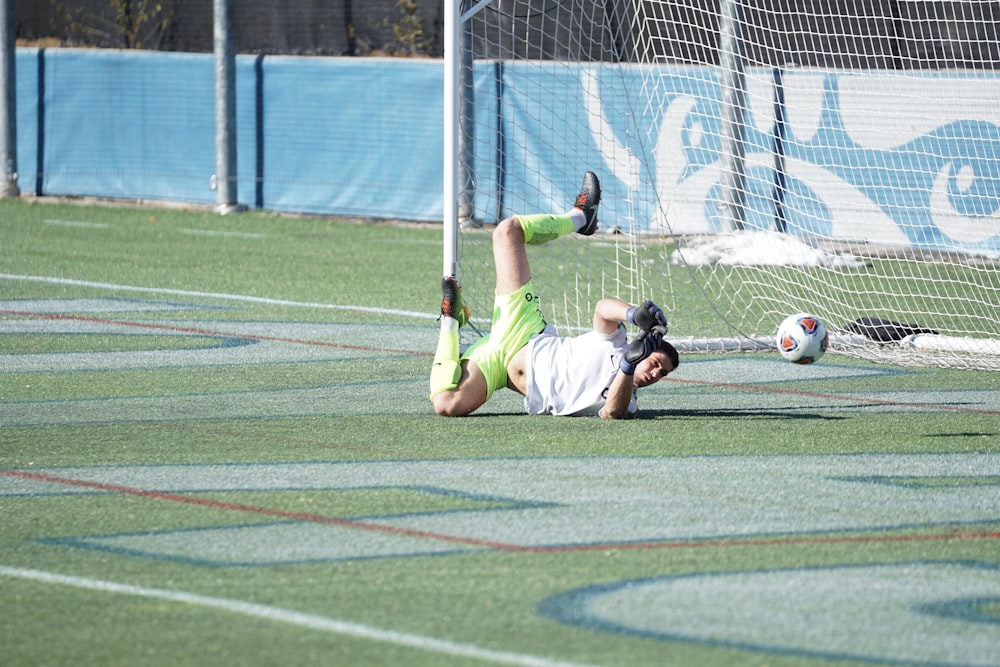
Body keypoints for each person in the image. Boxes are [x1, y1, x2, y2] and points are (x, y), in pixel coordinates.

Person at [429, 171, 679, 419]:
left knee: (446, 405)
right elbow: (603, 309)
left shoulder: (627, 401)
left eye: (662, 374)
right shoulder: (616, 343)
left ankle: (451, 320)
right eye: (656, 363)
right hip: (523, 332)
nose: (656, 374)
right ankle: (581, 218)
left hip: (496, 366)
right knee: (507, 231)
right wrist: (634, 314)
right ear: (646, 349)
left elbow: (612, 413)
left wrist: (628, 367)